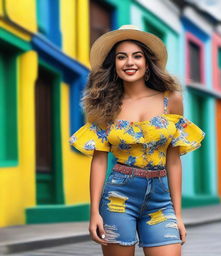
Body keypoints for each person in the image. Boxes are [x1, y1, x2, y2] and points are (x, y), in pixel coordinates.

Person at [69, 24, 205, 256]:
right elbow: (99, 161)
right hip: (118, 198)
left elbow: (173, 159)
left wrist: (178, 215)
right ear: (114, 65)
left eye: (137, 56)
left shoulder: (170, 99)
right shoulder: (104, 105)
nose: (129, 62)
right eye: (121, 57)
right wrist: (94, 212)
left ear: (147, 62)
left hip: (161, 201)